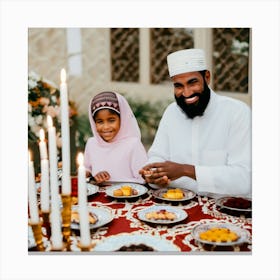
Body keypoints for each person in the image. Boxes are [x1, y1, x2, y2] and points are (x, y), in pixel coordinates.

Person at [139, 48, 251, 197]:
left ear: (207, 77)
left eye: (192, 83)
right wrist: (154, 174)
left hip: (223, 208)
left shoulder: (237, 112)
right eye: (178, 86)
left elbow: (244, 180)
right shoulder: (171, 112)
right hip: (173, 205)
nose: (186, 93)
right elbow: (157, 157)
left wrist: (186, 170)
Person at [84, 91, 148, 184]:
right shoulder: (92, 143)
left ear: (122, 119)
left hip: (126, 197)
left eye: (111, 120)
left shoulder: (133, 144)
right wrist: (91, 176)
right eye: (100, 121)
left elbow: (143, 178)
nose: (106, 127)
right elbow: (86, 169)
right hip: (98, 197)